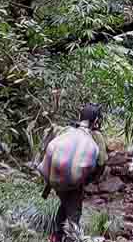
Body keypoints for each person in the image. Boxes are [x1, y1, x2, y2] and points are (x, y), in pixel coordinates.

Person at [42, 104, 108, 242]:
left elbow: (50, 148)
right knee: (74, 212)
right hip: (74, 181)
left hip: (55, 178)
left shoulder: (66, 130)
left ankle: (56, 236)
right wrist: (91, 178)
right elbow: (102, 162)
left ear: (80, 117)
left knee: (65, 203)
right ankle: (69, 237)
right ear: (96, 121)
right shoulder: (96, 137)